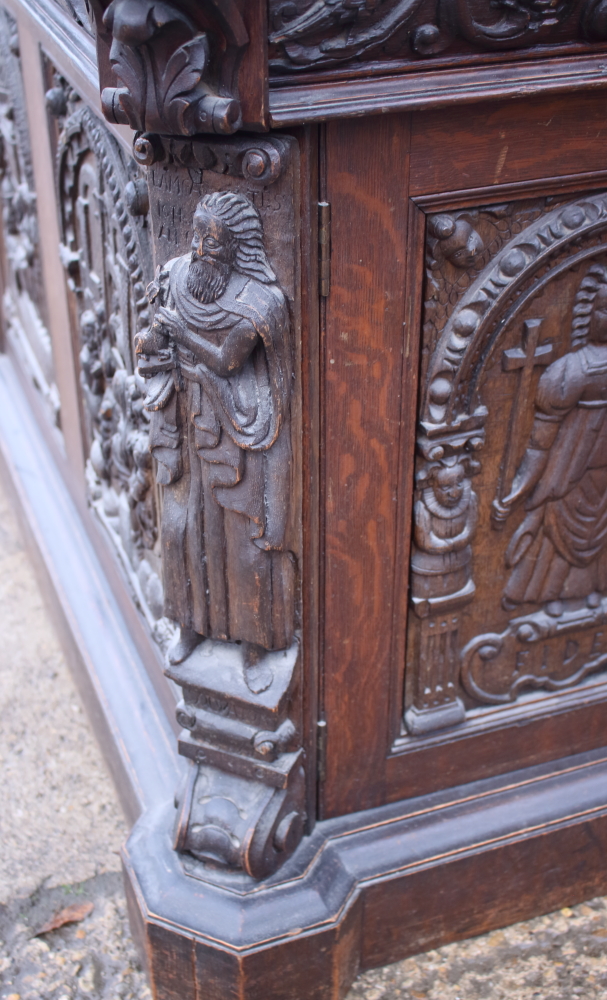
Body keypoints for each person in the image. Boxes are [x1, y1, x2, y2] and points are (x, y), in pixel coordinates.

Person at [135, 191, 294, 688]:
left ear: (240, 247)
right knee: (184, 529)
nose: (201, 249)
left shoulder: (259, 303)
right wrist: (150, 341)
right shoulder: (178, 275)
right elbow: (152, 336)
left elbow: (227, 360)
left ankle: (256, 641)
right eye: (198, 236)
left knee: (241, 542)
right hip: (184, 415)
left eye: (214, 241)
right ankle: (190, 625)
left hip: (237, 431)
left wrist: (177, 332)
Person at [493, 262, 607, 611]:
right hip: (569, 475)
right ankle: (550, 595)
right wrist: (518, 490)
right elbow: (540, 443)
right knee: (555, 531)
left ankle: (593, 591)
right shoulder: (570, 371)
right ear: (589, 313)